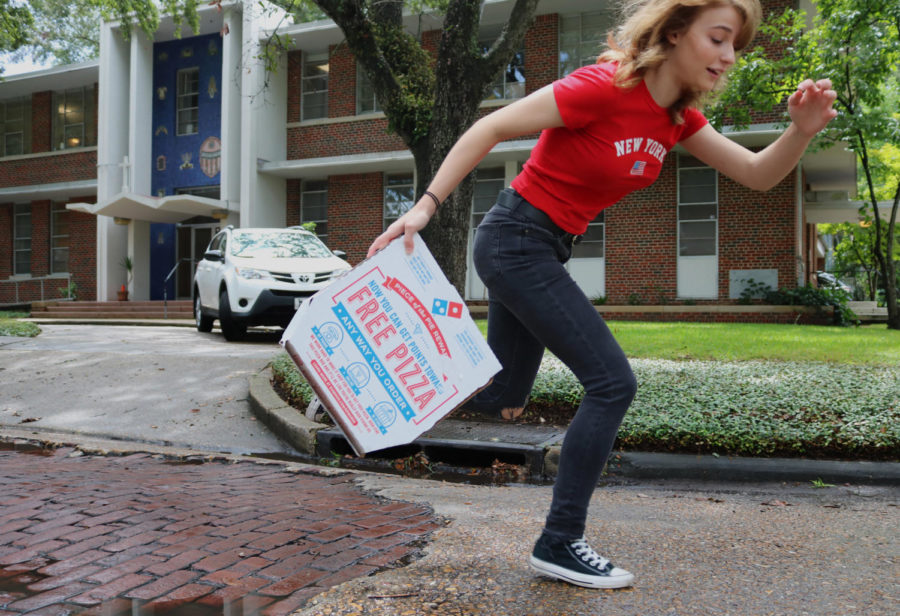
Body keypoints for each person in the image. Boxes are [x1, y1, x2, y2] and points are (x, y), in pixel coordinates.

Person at [367, 0, 837, 590]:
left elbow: (757, 174)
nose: (729, 56)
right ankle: (559, 542)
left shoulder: (678, 121)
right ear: (673, 32)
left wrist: (800, 131)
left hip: (543, 246)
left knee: (504, 396)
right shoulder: (602, 87)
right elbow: (490, 127)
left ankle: (366, 389)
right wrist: (424, 208)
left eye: (736, 45)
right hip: (516, 239)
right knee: (613, 382)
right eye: (719, 38)